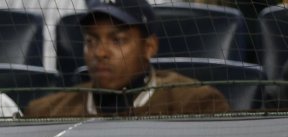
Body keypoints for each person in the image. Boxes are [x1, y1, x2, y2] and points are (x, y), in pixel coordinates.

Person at [25, 0, 230, 117]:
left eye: (117, 40)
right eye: (91, 41)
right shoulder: (46, 113)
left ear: (149, 47)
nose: (100, 53)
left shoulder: (196, 104)